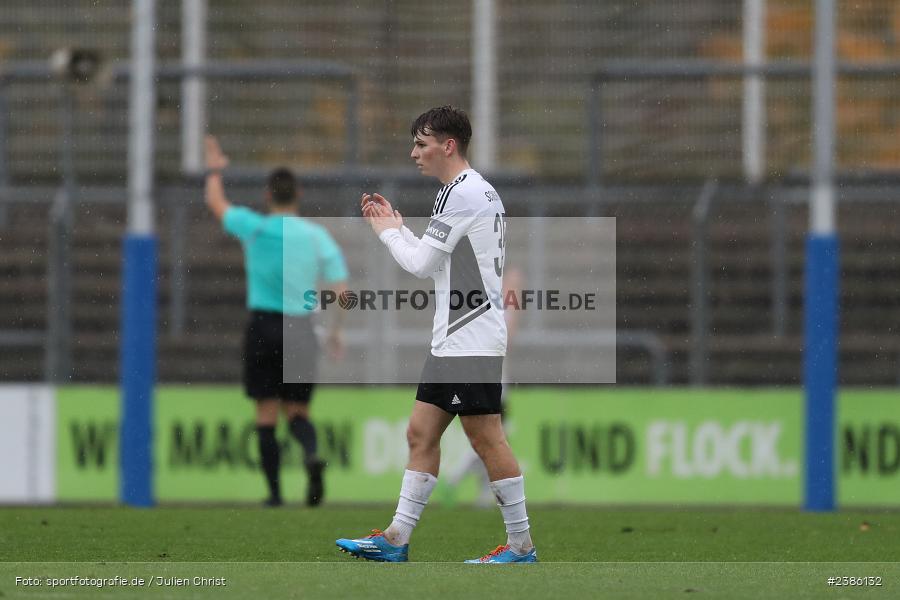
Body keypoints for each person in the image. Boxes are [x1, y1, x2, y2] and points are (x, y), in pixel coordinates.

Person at [335, 106, 537, 563]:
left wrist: (388, 234)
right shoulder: (469, 191)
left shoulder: (461, 194)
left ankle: (522, 545)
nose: (414, 153)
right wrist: (400, 229)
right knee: (420, 433)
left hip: (470, 337)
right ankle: (396, 538)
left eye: (422, 144)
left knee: (487, 439)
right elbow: (435, 258)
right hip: (455, 339)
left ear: (449, 146)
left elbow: (421, 265)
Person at [204, 135, 348, 507]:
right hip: (301, 328)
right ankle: (312, 456)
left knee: (266, 412)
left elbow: (217, 204)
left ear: (269, 195)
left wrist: (215, 169)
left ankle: (274, 495)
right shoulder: (317, 236)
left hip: (264, 327)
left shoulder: (254, 227)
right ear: (297, 194)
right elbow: (341, 291)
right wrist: (333, 332)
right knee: (298, 412)